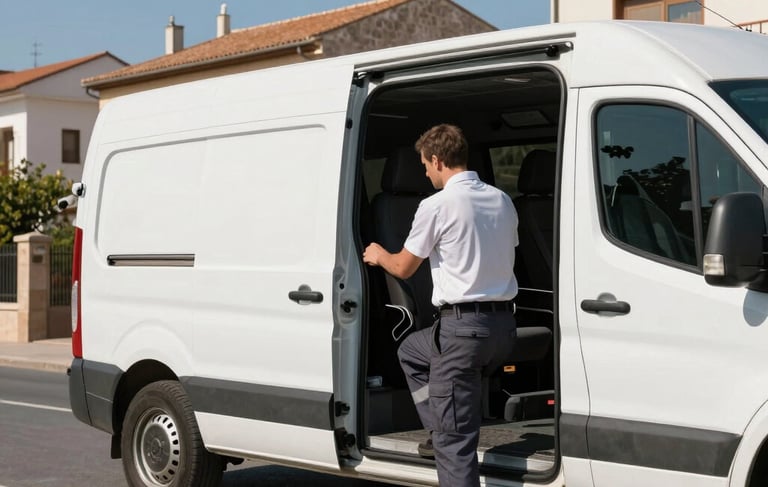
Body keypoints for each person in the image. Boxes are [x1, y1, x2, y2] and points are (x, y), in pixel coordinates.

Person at [363, 124, 518, 487]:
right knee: (412, 352)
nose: (426, 173)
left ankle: (442, 430)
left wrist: (379, 255)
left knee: (455, 444)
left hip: (463, 333)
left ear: (437, 159)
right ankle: (437, 424)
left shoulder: (437, 205)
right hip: (502, 329)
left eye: (425, 166)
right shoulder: (501, 199)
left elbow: (403, 267)